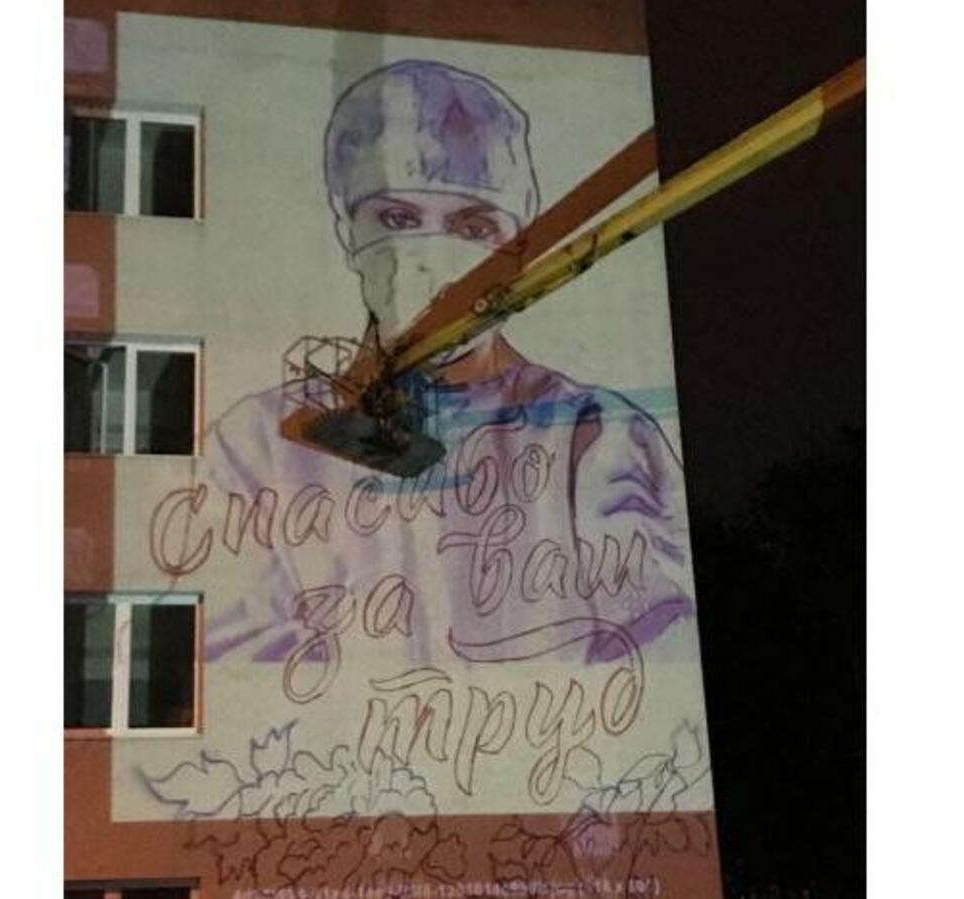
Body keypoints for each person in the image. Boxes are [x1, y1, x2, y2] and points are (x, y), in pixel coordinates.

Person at [194, 60, 697, 679]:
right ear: (346, 227)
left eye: (474, 226)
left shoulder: (596, 434)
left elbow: (655, 651)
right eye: (397, 219)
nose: (434, 258)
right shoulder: (261, 441)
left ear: (517, 246)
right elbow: (236, 659)